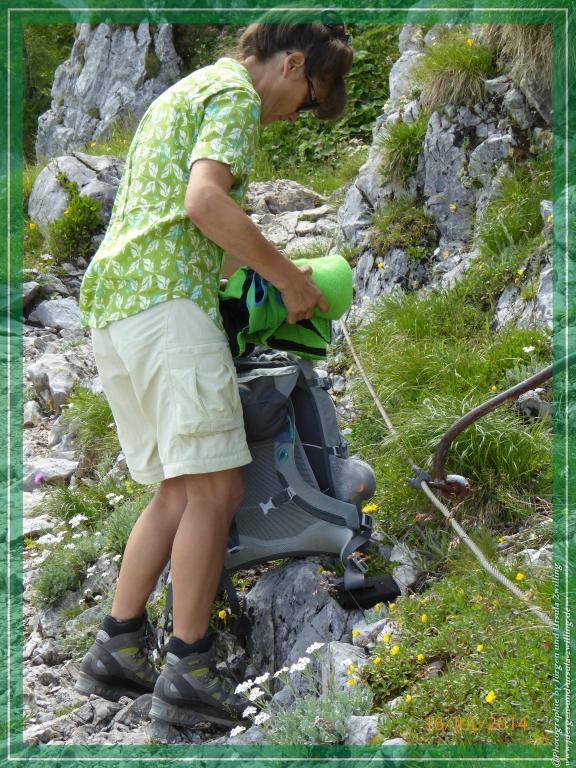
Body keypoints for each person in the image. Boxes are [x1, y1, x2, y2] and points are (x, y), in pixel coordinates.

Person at [75, 11, 353, 727]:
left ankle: (117, 646)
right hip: (166, 306)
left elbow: (182, 212)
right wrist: (291, 280)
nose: (301, 117)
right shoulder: (233, 97)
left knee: (177, 487)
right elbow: (204, 203)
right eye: (314, 98)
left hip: (119, 308)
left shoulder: (186, 92)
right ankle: (189, 668)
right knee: (216, 488)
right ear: (292, 65)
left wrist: (242, 286)